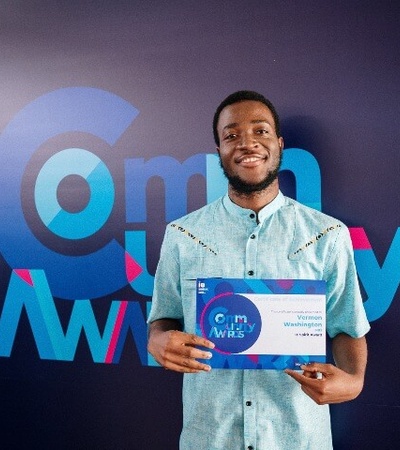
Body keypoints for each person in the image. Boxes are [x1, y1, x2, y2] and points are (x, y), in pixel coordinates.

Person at [147, 90, 370, 450]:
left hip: (297, 438)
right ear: (219, 150)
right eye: (231, 135)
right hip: (210, 438)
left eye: (261, 131)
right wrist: (157, 341)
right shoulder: (183, 236)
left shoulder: (327, 235)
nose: (247, 143)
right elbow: (164, 320)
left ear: (279, 144)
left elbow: (347, 326)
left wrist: (354, 380)